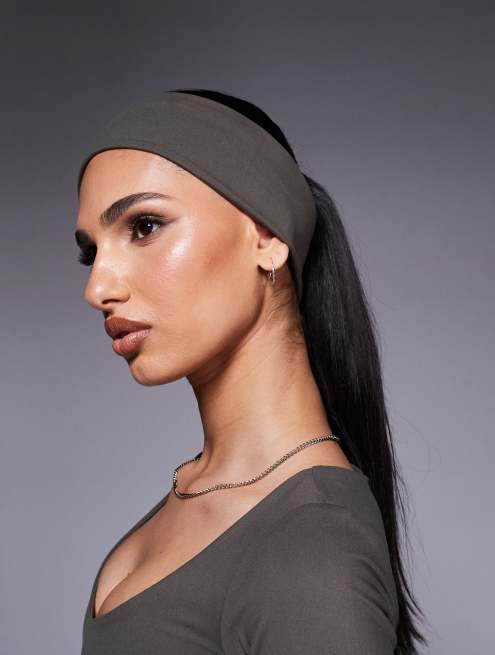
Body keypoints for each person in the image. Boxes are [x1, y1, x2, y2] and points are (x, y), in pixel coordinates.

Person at [74, 88, 427, 654]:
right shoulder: (205, 493)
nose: (98, 288)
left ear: (266, 237)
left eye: (144, 227)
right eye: (91, 252)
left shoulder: (311, 544)